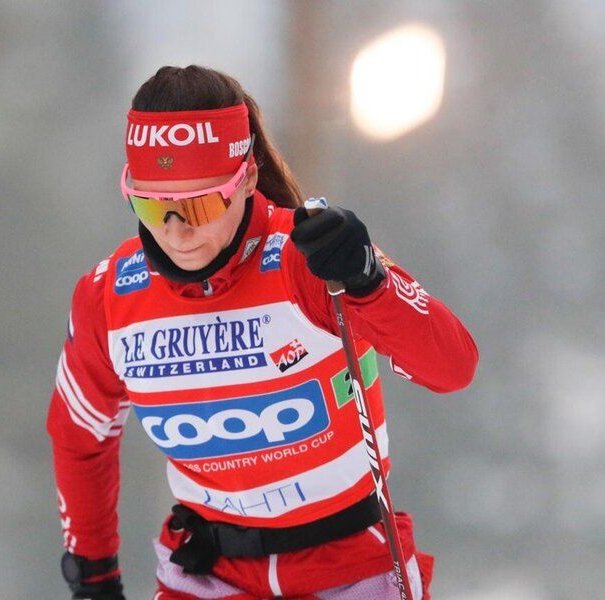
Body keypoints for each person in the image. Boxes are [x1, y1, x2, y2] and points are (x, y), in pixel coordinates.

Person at [46, 65, 478, 600]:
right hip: (209, 573)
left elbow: (453, 367)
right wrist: (92, 576)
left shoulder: (308, 259)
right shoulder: (110, 294)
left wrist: (370, 280)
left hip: (349, 567)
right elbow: (80, 435)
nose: (177, 232)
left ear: (247, 178)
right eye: (153, 205)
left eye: (200, 204)